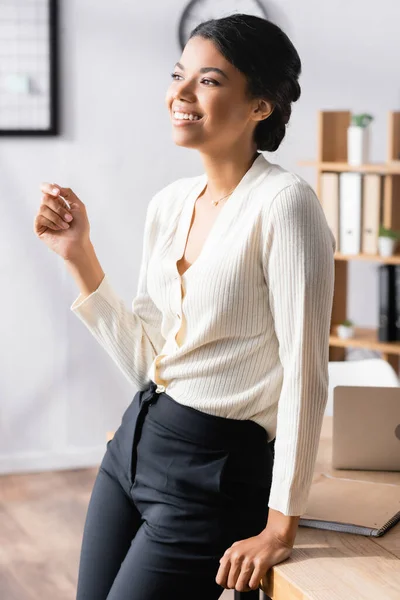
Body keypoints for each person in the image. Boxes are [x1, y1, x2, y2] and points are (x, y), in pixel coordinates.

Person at [34, 14, 335, 600]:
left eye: (210, 81)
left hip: (216, 472)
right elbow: (152, 362)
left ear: (261, 106)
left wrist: (281, 524)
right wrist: (80, 255)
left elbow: (306, 374)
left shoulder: (285, 206)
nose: (180, 93)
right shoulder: (170, 206)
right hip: (133, 445)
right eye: (179, 75)